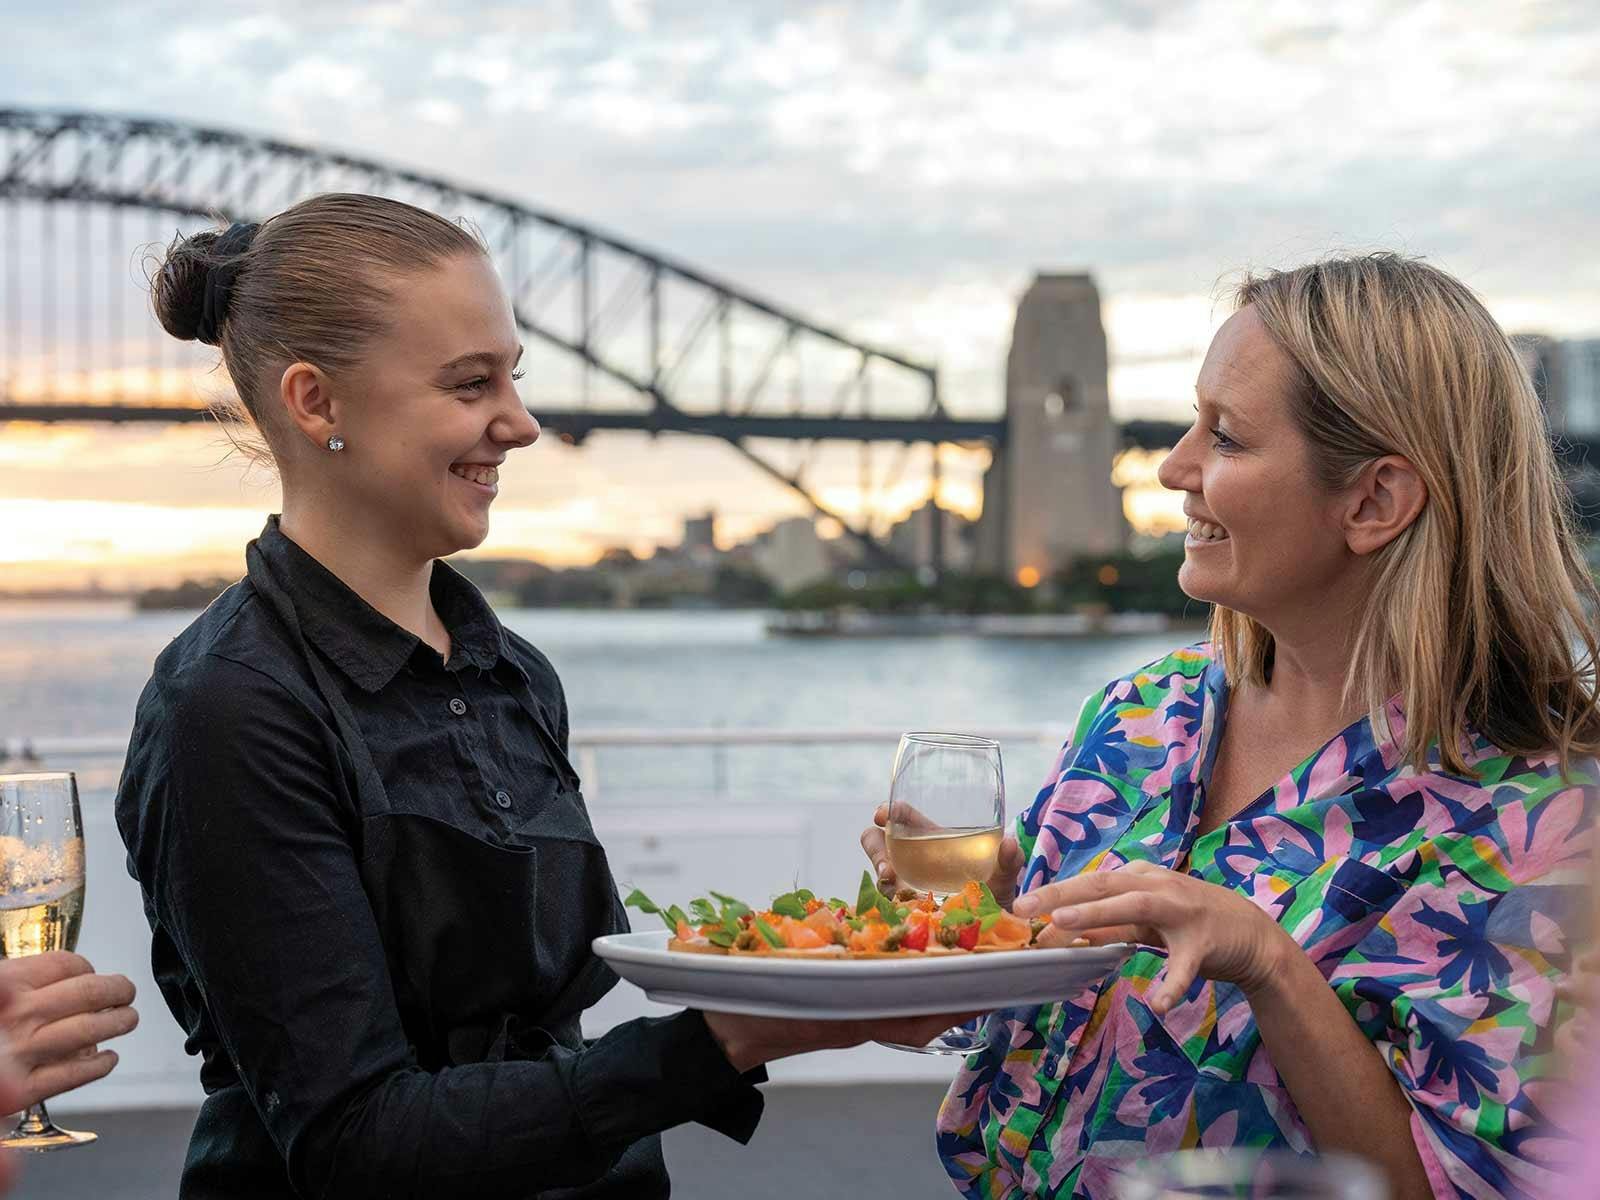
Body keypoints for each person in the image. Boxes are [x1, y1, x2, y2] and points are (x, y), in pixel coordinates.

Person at [115, 193, 963, 1200]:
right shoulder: (230, 710)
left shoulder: (511, 672)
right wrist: (727, 1041)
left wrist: (842, 956)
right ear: (317, 402)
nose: (519, 424)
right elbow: (354, 1141)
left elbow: (539, 1035)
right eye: (470, 383)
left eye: (514, 377)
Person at [866, 253, 1599, 1198]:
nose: (1172, 467)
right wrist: (984, 929)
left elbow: (1462, 1186)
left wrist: (1267, 962)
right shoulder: (1142, 715)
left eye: (1226, 437)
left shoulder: (1541, 825)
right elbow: (1014, 1034)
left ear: (1374, 501)